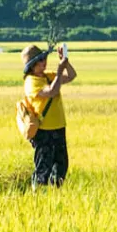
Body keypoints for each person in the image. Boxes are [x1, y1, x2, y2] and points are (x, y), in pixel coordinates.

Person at [21, 42, 77, 188]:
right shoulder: (31, 82)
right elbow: (51, 91)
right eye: (39, 60)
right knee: (43, 167)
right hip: (43, 130)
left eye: (44, 58)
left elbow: (71, 75)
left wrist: (64, 62)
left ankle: (54, 196)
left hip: (58, 127)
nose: (43, 62)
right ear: (32, 65)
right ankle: (38, 196)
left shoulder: (48, 76)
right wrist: (59, 71)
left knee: (61, 166)